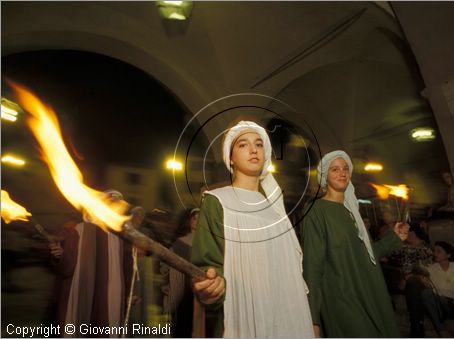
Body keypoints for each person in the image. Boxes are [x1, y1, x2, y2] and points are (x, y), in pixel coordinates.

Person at [190, 120, 314, 338]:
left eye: (258, 144)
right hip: (242, 319)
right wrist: (212, 286)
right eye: (243, 145)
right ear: (230, 158)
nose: (253, 149)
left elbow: (290, 271)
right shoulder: (217, 201)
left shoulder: (276, 211)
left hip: (283, 320)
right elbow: (208, 265)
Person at [302, 150, 409, 337]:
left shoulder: (353, 212)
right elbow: (312, 265)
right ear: (324, 176)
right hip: (342, 299)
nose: (342, 172)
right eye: (334, 169)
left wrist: (394, 238)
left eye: (345, 168)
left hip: (369, 292)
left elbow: (365, 255)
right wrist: (313, 318)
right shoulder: (316, 210)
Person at [49, 190, 131, 337]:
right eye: (109, 204)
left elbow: (129, 266)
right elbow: (66, 268)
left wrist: (133, 291)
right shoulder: (76, 230)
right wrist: (60, 255)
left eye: (116, 206)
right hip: (81, 290)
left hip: (112, 292)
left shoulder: (121, 236)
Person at [166, 207, 200, 337]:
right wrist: (171, 303)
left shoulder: (207, 244)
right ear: (189, 221)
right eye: (194, 219)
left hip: (201, 298)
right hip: (184, 299)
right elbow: (174, 277)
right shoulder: (180, 244)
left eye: (199, 219)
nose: (197, 222)